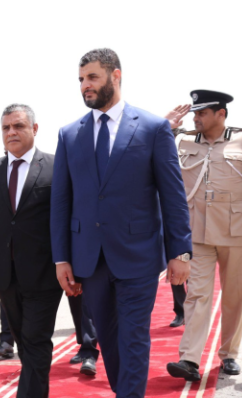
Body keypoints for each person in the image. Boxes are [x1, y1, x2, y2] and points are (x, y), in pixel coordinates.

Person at [51, 49, 192, 398]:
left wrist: (180, 252)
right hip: (90, 258)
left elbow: (173, 196)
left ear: (116, 76)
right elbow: (61, 202)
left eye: (92, 77)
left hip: (138, 254)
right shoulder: (69, 135)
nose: (85, 85)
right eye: (81, 79)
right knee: (109, 339)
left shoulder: (153, 128)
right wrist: (61, 258)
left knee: (133, 336)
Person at [165, 90, 242, 380]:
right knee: (197, 295)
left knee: (234, 296)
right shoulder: (181, 141)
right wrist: (167, 129)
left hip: (236, 232)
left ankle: (229, 354)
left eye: (202, 113)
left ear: (221, 113)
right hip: (196, 232)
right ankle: (189, 359)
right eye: (194, 113)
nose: (195, 118)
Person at [0, 104, 63, 397]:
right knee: (24, 341)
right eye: (6, 127)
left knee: (35, 339)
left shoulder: (56, 166)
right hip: (5, 276)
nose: (11, 132)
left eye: (18, 126)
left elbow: (68, 218)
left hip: (45, 274)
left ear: (34, 129)